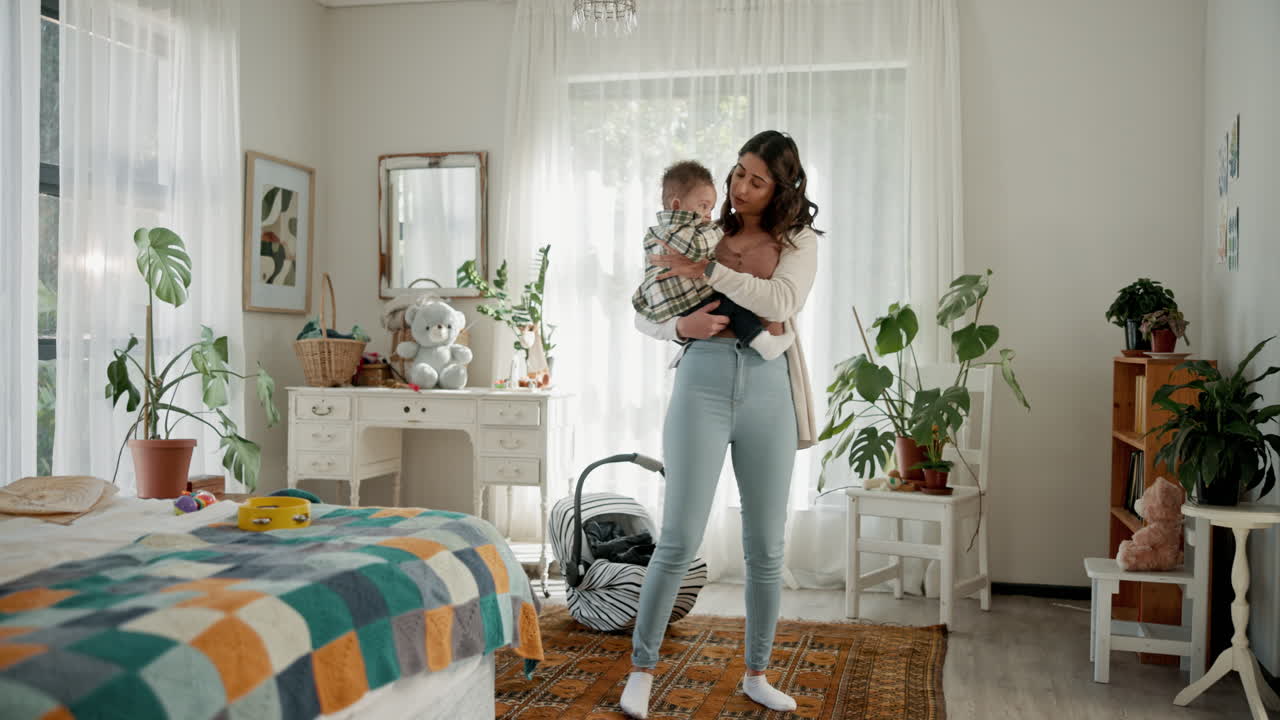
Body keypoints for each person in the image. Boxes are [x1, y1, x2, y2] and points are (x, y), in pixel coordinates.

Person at [622, 131, 821, 718]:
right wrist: (680, 330)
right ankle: (641, 670)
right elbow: (646, 306)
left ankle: (757, 672)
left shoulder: (798, 241)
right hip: (702, 379)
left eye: (755, 180)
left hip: (768, 391)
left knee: (766, 545)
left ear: (781, 187)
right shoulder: (699, 227)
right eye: (737, 173)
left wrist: (707, 271)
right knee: (679, 535)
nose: (739, 187)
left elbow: (781, 303)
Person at [632, 160, 793, 361]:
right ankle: (763, 343)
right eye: (704, 206)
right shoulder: (684, 232)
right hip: (691, 314)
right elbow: (697, 249)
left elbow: (783, 303)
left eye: (757, 183)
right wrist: (681, 326)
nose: (709, 215)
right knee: (732, 305)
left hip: (672, 310)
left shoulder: (655, 234)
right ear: (676, 205)